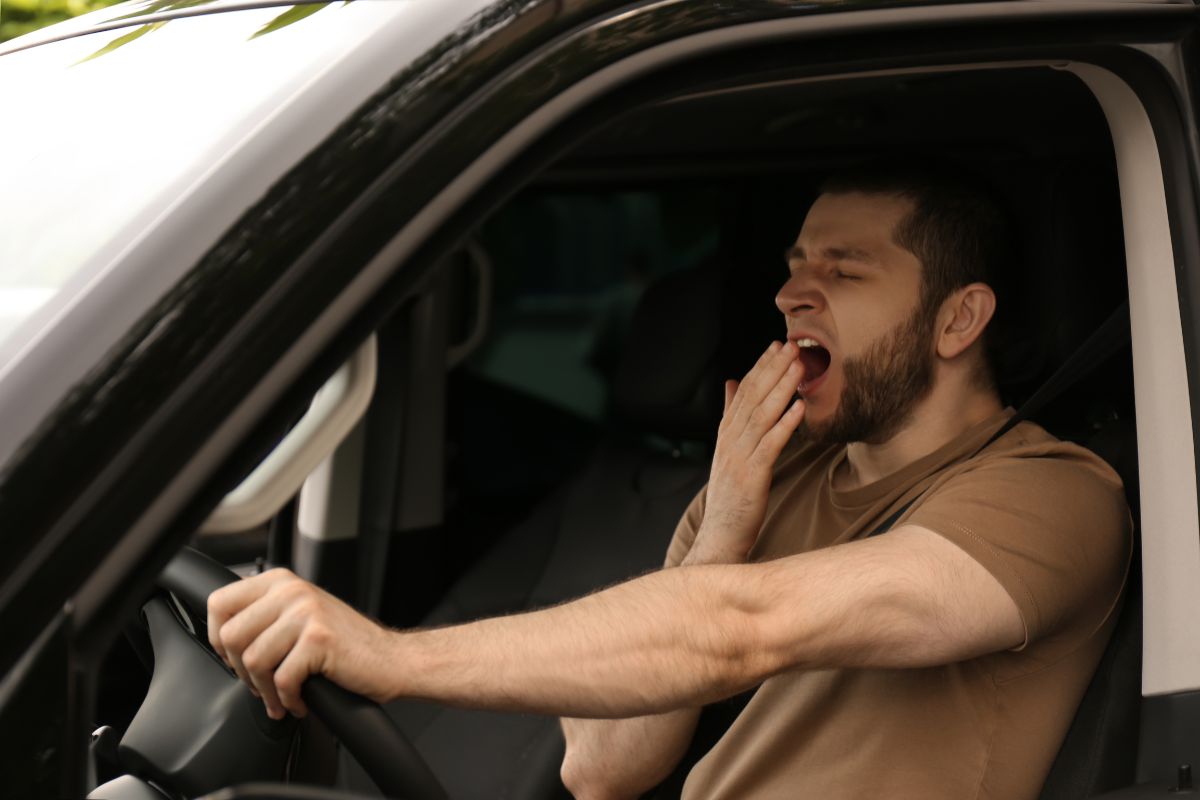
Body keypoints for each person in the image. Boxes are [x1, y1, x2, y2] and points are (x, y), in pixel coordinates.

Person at [207, 166, 1131, 800]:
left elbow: (742, 627)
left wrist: (394, 660)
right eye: (793, 267)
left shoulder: (1051, 494)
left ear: (958, 318)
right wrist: (725, 521)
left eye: (844, 270)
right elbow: (602, 769)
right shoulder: (768, 470)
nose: (792, 296)